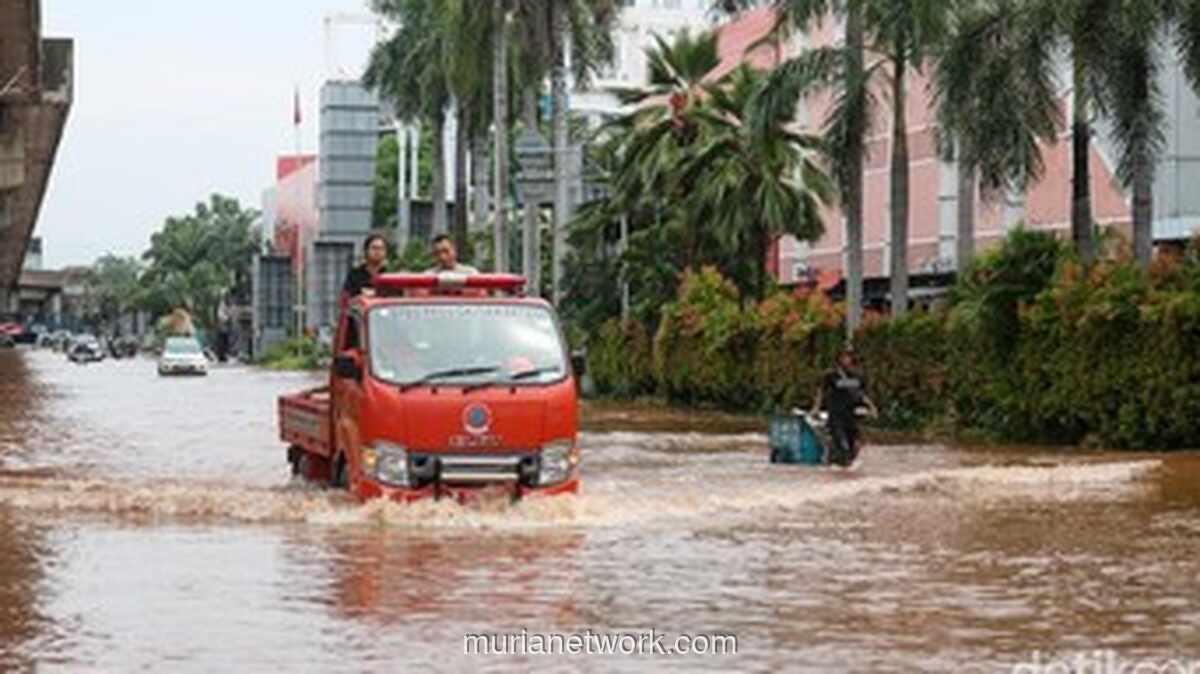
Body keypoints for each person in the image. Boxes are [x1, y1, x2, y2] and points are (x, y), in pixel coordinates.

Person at [810, 345, 878, 467]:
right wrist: (816, 408)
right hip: (836, 414)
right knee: (842, 444)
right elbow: (821, 392)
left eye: (848, 356)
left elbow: (861, 394)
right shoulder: (831, 375)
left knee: (855, 445)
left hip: (850, 415)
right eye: (844, 356)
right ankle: (839, 463)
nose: (846, 359)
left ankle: (845, 465)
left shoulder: (858, 376)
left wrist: (871, 407)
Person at [343, 233, 389, 299]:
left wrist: (374, 294)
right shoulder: (355, 274)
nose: (377, 251)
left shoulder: (390, 274)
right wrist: (361, 297)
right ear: (366, 250)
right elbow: (346, 297)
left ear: (386, 252)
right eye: (374, 248)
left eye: (381, 248)